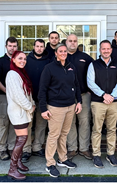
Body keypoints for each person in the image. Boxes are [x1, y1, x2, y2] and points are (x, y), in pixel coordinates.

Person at [38, 44, 82, 178]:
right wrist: (43, 109)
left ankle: (62, 159)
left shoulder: (71, 67)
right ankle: (50, 163)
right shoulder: (49, 68)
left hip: (70, 106)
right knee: (54, 135)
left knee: (64, 134)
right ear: (56, 53)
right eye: (60, 51)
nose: (63, 53)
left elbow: (76, 85)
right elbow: (42, 89)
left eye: (65, 51)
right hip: (55, 107)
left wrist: (78, 101)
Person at [87, 40, 117, 168]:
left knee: (112, 129)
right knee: (97, 129)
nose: (106, 51)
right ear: (100, 50)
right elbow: (90, 82)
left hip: (113, 103)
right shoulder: (93, 65)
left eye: (108, 48)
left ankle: (110, 153)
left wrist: (112, 96)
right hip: (98, 102)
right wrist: (104, 95)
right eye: (103, 49)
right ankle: (96, 155)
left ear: (111, 50)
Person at [5, 51, 36, 180]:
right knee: (22, 139)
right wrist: (30, 107)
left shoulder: (20, 73)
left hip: (22, 111)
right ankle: (12, 169)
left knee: (21, 139)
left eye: (24, 59)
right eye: (20, 58)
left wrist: (32, 103)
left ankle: (17, 162)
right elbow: (18, 96)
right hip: (18, 112)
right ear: (13, 59)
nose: (23, 61)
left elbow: (27, 93)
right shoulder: (12, 74)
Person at [66, 34, 94, 160]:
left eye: (75, 41)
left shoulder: (85, 58)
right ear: (66, 42)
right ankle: (72, 149)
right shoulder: (61, 56)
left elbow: (94, 74)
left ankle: (84, 148)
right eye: (70, 41)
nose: (73, 43)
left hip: (84, 95)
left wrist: (89, 90)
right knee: (69, 123)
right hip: (67, 97)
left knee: (84, 121)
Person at [22, 39, 51, 162]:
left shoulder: (49, 61)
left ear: (44, 48)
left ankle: (37, 147)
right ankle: (26, 150)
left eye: (41, 46)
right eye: (37, 46)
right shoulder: (26, 60)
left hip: (43, 98)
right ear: (33, 47)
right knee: (28, 124)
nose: (39, 48)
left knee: (41, 125)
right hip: (28, 98)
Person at [0, 36, 18, 161]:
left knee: (15, 122)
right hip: (4, 96)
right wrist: (6, 90)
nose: (12, 48)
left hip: (17, 98)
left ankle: (11, 147)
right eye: (10, 46)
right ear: (6, 46)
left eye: (14, 46)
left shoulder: (19, 60)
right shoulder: (0, 61)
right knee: (3, 122)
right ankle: (2, 149)